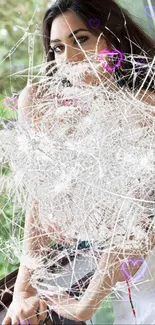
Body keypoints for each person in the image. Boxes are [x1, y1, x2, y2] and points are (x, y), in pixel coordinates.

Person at [2, 0, 155, 325]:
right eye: (57, 48)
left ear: (112, 37)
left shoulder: (146, 108)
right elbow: (40, 202)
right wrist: (21, 293)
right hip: (116, 276)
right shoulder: (44, 105)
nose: (68, 58)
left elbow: (143, 220)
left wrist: (86, 304)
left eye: (81, 39)